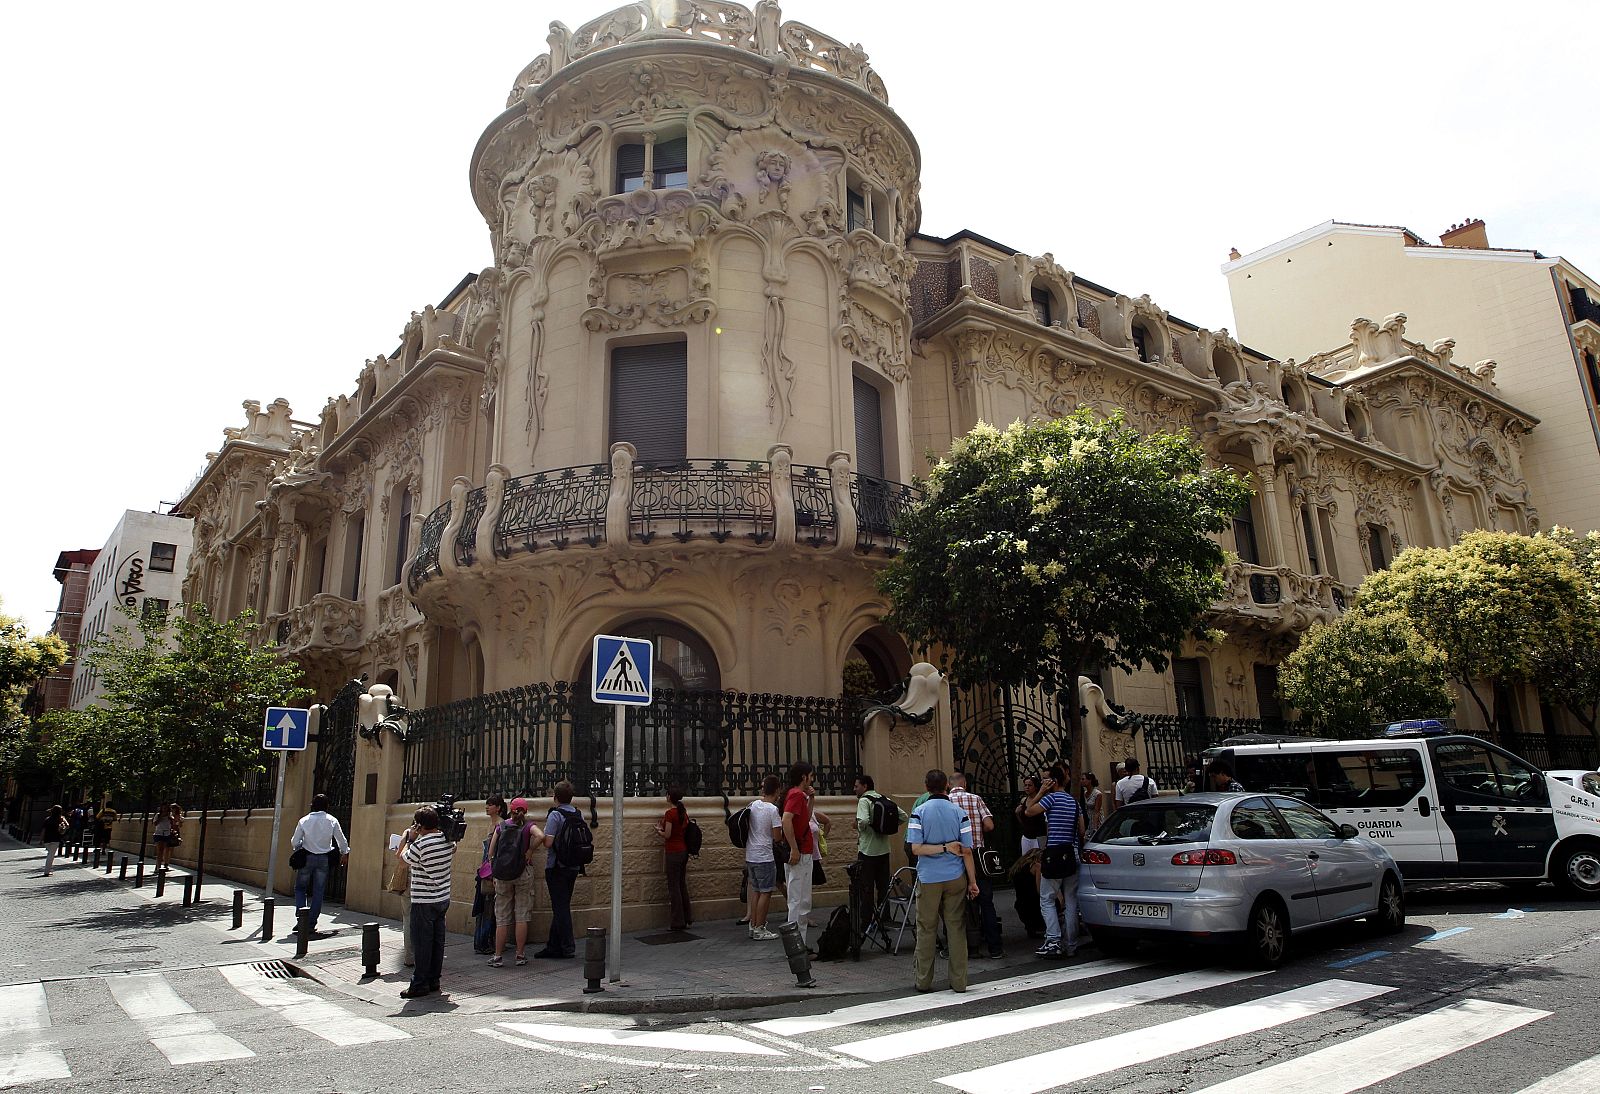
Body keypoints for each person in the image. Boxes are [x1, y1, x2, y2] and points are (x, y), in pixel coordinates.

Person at [907, 769, 978, 993]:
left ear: (926, 787)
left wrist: (940, 848)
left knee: (926, 928)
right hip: (955, 876)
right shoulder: (959, 813)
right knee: (956, 927)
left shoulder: (918, 812)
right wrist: (972, 882)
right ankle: (959, 982)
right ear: (946, 786)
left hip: (928, 878)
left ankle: (923, 980)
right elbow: (967, 851)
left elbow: (915, 848)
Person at [1025, 764, 1086, 958]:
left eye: (1046, 780)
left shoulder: (1051, 798)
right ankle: (1071, 943)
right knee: (1071, 900)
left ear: (1054, 781)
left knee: (1047, 898)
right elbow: (1082, 830)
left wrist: (1041, 792)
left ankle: (1053, 940)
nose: (1043, 783)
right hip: (1073, 853)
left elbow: (1029, 811)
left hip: (1054, 855)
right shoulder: (1073, 802)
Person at [398, 806, 456, 999]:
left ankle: (419, 983)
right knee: (437, 942)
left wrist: (409, 838)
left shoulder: (420, 845)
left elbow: (403, 859)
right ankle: (433, 980)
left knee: (422, 943)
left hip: (423, 900)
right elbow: (453, 845)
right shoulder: (448, 841)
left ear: (419, 825)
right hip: (442, 898)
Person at [948, 772, 1002, 959]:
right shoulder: (976, 799)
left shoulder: (946, 801)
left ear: (949, 785)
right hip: (978, 855)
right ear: (965, 783)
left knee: (959, 904)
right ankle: (995, 948)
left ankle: (968, 947)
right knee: (986, 901)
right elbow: (989, 825)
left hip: (955, 857)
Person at [487, 797, 543, 966]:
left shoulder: (501, 826)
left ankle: (497, 956)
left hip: (502, 874)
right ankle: (519, 955)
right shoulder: (528, 826)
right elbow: (541, 836)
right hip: (523, 871)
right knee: (521, 915)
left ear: (510, 810)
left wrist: (494, 872)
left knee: (502, 917)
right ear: (525, 811)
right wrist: (530, 850)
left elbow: (491, 853)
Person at [290, 793, 351, 938]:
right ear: (327, 806)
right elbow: (341, 840)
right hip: (324, 859)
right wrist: (345, 853)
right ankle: (311, 922)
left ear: (313, 805)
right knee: (318, 891)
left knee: (300, 888)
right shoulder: (332, 820)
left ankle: (301, 916)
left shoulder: (304, 820)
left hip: (307, 857)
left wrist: (299, 847)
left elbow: (294, 842)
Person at [536, 780, 582, 958]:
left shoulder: (555, 815)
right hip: (573, 866)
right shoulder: (578, 813)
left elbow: (548, 842)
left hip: (556, 866)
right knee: (561, 905)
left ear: (555, 797)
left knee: (560, 907)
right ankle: (553, 945)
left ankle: (568, 946)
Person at [852, 774, 894, 934]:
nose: (854, 789)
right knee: (884, 886)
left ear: (865, 786)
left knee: (866, 887)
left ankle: (866, 921)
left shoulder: (864, 800)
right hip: (884, 849)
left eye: (857, 786)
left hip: (867, 851)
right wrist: (884, 827)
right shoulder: (883, 799)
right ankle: (885, 918)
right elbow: (902, 815)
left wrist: (860, 827)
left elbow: (862, 821)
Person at [781, 761, 817, 946]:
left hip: (802, 851)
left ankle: (798, 943)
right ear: (804, 777)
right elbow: (786, 819)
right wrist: (794, 848)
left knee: (800, 900)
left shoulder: (797, 795)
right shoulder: (796, 795)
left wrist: (811, 799)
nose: (812, 779)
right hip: (801, 853)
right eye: (810, 775)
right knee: (799, 901)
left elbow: (805, 819)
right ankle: (796, 945)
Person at [744, 776, 783, 940]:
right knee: (766, 892)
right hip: (765, 856)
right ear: (777, 790)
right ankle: (760, 927)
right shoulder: (772, 810)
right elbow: (777, 837)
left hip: (751, 855)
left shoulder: (753, 805)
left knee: (756, 891)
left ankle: (753, 925)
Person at [655, 785, 694, 932]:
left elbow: (668, 835)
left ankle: (678, 921)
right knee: (681, 884)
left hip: (673, 852)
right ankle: (687, 916)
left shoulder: (670, 814)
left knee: (674, 887)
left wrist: (659, 831)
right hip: (683, 851)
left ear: (669, 797)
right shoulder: (683, 812)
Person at [474, 796, 505, 955]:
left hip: (491, 870)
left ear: (498, 807)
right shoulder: (491, 823)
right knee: (485, 905)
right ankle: (483, 941)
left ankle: (487, 941)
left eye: (491, 804)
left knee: (489, 907)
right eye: (487, 804)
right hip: (485, 869)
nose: (487, 807)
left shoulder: (500, 824)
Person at [42, 805, 65, 876]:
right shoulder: (60, 819)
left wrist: (41, 839)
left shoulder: (47, 819)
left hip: (47, 839)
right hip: (55, 839)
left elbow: (43, 830)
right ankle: (47, 871)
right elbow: (67, 825)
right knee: (51, 855)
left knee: (50, 854)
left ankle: (48, 869)